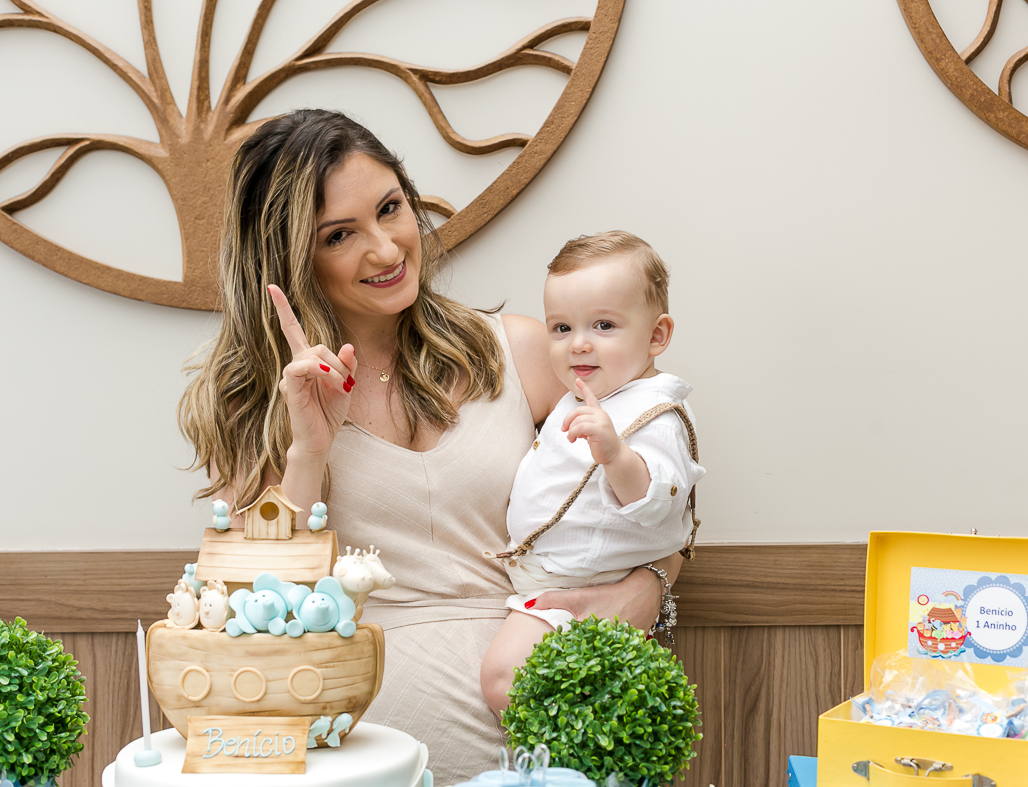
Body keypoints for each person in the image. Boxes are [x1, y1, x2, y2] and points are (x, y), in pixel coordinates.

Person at [177, 109, 682, 781]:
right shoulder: (250, 405)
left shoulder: (523, 351)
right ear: (290, 255)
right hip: (362, 766)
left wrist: (651, 587)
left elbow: (652, 503)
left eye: (391, 208)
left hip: (555, 750)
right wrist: (309, 450)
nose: (386, 249)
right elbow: (252, 608)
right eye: (339, 235)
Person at [480, 232, 705, 715]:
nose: (578, 343)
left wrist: (616, 455)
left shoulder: (656, 411)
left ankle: (563, 760)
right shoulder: (588, 394)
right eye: (561, 328)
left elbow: (660, 496)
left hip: (587, 590)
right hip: (557, 580)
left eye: (603, 325)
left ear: (657, 336)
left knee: (502, 678)